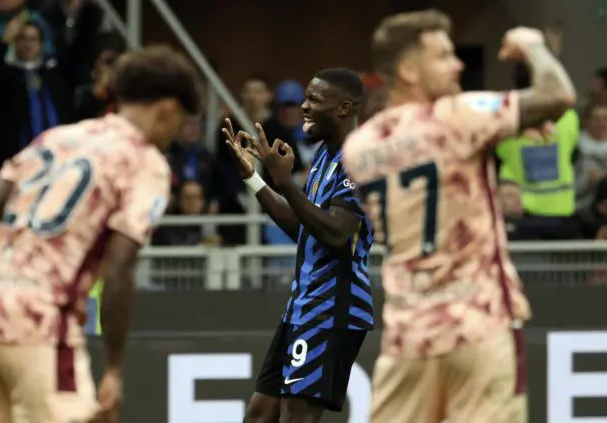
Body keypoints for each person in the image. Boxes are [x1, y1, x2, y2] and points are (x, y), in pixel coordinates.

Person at [342, 10, 575, 423]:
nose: (458, 64)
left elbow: (424, 153)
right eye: (444, 56)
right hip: (477, 329)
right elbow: (557, 95)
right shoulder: (460, 115)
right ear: (409, 70)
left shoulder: (358, 148)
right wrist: (533, 45)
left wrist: (496, 132)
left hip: (408, 336)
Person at [0, 45, 200, 423]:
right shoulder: (145, 163)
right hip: (44, 323)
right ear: (168, 108)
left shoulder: (55, 138)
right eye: (181, 121)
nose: (176, 133)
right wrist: (114, 368)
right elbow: (117, 270)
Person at [223, 68, 374, 423]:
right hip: (304, 305)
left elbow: (337, 234)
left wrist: (286, 182)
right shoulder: (324, 156)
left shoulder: (362, 161)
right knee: (260, 413)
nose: (304, 107)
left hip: (333, 307)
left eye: (315, 100)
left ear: (343, 108)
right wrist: (254, 178)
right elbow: (304, 228)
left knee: (297, 416)